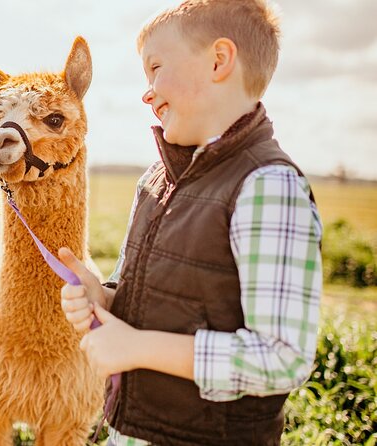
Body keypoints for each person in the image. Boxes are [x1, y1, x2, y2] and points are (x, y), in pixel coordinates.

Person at [59, 1, 322, 444]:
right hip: (133, 429)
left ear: (219, 60)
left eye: (156, 68)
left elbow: (282, 358)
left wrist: (139, 348)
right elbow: (141, 298)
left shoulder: (267, 187)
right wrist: (103, 297)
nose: (146, 92)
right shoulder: (155, 180)